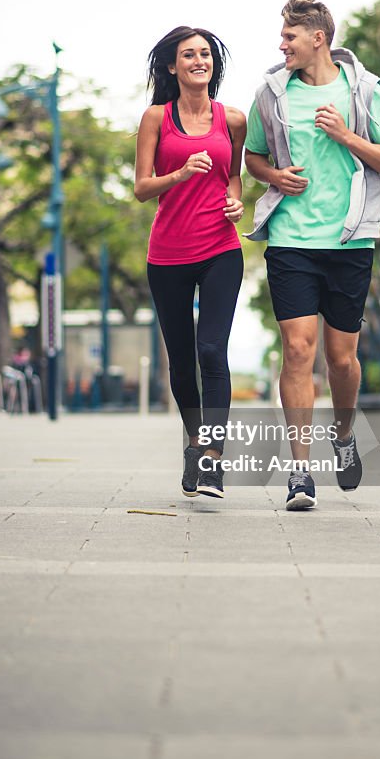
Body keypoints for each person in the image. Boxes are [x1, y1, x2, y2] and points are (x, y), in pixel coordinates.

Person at [244, 0, 380, 510]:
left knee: (341, 359)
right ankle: (299, 472)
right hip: (291, 238)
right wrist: (273, 175)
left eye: (289, 36)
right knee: (298, 349)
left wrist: (347, 136)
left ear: (318, 38)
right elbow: (251, 155)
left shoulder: (365, 91)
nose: (281, 44)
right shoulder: (271, 94)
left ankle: (343, 433)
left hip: (349, 239)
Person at [134, 26, 246, 500]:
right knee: (181, 364)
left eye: (205, 54)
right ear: (172, 66)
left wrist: (237, 202)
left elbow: (235, 175)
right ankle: (194, 442)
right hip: (168, 255)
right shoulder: (156, 118)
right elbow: (141, 188)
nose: (199, 60)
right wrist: (179, 173)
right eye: (189, 55)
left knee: (211, 352)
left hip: (221, 249)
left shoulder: (233, 119)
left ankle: (212, 460)